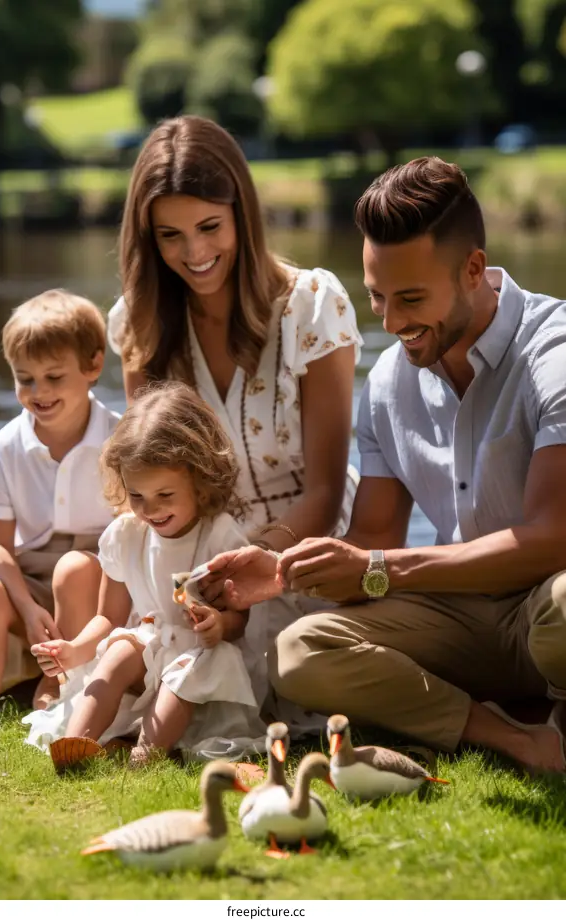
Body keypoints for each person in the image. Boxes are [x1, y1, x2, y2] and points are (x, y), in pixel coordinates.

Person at [204, 156, 566, 775]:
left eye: (411, 298)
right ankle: (515, 737)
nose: (393, 323)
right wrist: (284, 573)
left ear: (473, 269)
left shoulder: (553, 355)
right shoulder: (389, 384)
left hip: (549, 601)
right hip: (462, 617)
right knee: (300, 652)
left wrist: (378, 569)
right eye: (377, 297)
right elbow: (375, 537)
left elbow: (551, 538)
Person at [107, 114, 363, 733]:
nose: (194, 253)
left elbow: (326, 492)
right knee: (137, 662)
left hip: (298, 549)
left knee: (286, 678)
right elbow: (144, 475)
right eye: (170, 235)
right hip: (193, 555)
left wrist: (255, 557)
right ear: (148, 239)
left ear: (241, 215)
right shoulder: (138, 321)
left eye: (209, 227)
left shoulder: (312, 305)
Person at [23, 383, 266, 767]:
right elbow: (108, 618)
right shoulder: (126, 535)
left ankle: (145, 756)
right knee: (119, 651)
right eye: (137, 496)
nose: (150, 510)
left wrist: (218, 624)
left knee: (182, 677)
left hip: (202, 654)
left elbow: (240, 620)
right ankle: (74, 746)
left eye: (165, 496)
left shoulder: (219, 536)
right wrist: (74, 650)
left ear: (200, 481)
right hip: (151, 642)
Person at [0, 290, 120, 736]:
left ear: (93, 365)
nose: (39, 392)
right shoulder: (6, 446)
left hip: (96, 584)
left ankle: (57, 686)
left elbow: (131, 538)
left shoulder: (119, 441)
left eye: (54, 376)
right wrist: (27, 607)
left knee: (73, 570)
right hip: (32, 584)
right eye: (25, 379)